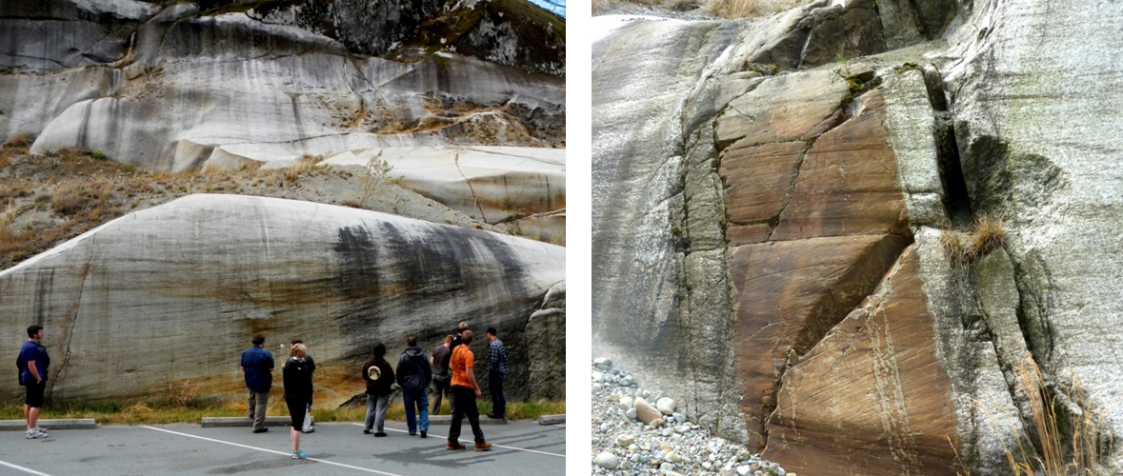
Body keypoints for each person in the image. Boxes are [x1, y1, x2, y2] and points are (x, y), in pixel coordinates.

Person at [446, 330, 490, 451]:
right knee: (473, 414)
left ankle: (452, 440)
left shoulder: (455, 350)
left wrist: (456, 372)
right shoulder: (468, 353)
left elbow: (450, 364)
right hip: (465, 386)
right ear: (471, 340)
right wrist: (476, 388)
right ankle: (479, 441)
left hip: (454, 383)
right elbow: (469, 373)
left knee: (457, 413)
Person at [397, 336, 432, 438]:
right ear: (416, 344)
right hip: (421, 385)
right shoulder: (423, 355)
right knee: (423, 407)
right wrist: (426, 383)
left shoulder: (403, 357)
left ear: (408, 344)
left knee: (409, 408)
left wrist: (402, 384)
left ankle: (412, 429)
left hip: (408, 386)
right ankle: (423, 427)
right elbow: (428, 371)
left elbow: (399, 373)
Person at [282, 343, 313, 459]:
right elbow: (308, 386)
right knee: (298, 425)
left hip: (290, 396)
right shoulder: (304, 366)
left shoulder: (288, 365)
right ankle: (296, 451)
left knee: (294, 422)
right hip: (300, 397)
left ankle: (294, 449)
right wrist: (309, 402)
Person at [19, 325, 50, 440]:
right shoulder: (31, 347)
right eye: (40, 332)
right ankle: (32, 431)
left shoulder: (26, 345)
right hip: (34, 379)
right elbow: (31, 365)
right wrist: (38, 378)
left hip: (28, 378)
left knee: (29, 402)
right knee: (36, 404)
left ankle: (31, 426)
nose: (42, 333)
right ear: (34, 334)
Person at [240, 333, 274, 433]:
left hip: (250, 379)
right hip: (262, 381)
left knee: (251, 397)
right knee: (261, 402)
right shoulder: (265, 353)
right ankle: (258, 425)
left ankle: (251, 414)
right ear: (263, 343)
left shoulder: (245, 353)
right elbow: (271, 369)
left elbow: (242, 367)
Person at [362, 343, 394, 437]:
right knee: (380, 410)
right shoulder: (385, 364)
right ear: (383, 352)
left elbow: (364, 375)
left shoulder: (368, 363)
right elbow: (392, 378)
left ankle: (367, 427)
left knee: (370, 408)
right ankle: (378, 430)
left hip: (371, 388)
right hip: (383, 390)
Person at [290, 339, 314, 433]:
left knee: (297, 409)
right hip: (303, 390)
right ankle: (306, 426)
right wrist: (310, 400)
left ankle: (297, 425)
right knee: (304, 408)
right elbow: (311, 371)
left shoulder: (289, 362)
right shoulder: (306, 363)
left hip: (293, 391)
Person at [485, 327, 510, 420]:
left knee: (494, 391)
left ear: (489, 333)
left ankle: (496, 411)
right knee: (500, 391)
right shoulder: (500, 342)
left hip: (495, 372)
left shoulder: (493, 344)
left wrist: (489, 369)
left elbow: (494, 360)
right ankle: (502, 410)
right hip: (501, 370)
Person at [430, 335, 453, 414]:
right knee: (450, 392)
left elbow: (431, 361)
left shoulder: (436, 349)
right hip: (443, 375)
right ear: (451, 342)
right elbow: (450, 365)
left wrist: (435, 369)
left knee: (437, 394)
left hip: (434, 375)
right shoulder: (448, 351)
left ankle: (434, 413)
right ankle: (453, 411)